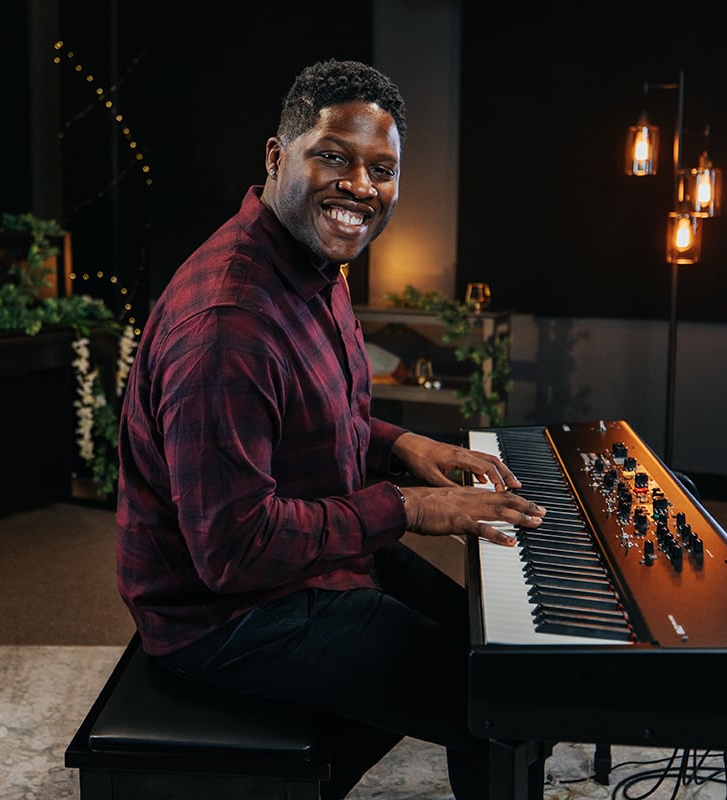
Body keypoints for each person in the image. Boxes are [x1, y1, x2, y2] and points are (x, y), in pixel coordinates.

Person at [114, 58, 547, 800]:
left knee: (501, 654)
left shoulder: (311, 264)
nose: (361, 188)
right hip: (226, 614)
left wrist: (403, 444)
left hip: (302, 563)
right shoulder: (229, 324)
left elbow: (319, 414)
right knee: (498, 703)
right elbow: (233, 552)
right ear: (277, 156)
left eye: (383, 168)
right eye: (334, 157)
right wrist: (408, 506)